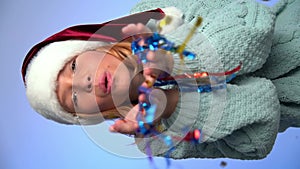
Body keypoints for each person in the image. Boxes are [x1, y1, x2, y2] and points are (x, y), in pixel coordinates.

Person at [21, 0, 299, 160]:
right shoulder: (155, 138)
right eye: (73, 98)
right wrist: (171, 105)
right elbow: (259, 130)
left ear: (92, 47)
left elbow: (255, 26)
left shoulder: (158, 15)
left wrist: (171, 60)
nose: (84, 83)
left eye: (73, 66)